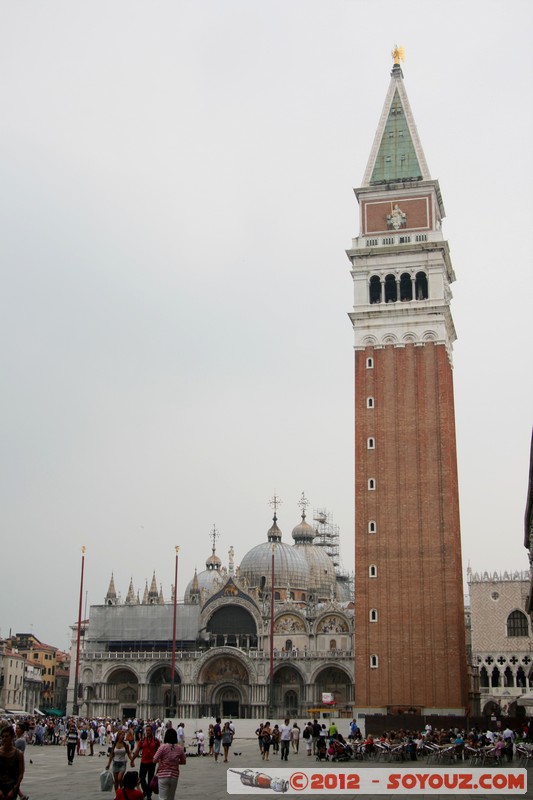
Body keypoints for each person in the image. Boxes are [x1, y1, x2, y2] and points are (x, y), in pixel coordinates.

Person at [153, 728, 186, 800]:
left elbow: (154, 759)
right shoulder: (179, 748)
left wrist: (164, 761)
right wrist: (175, 762)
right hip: (174, 776)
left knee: (162, 798)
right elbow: (183, 761)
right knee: (171, 797)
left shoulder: (162, 747)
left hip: (163, 775)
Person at [131, 723, 158, 800]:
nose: (148, 732)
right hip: (143, 762)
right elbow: (137, 751)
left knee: (150, 778)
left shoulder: (156, 741)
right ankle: (146, 790)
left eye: (149, 730)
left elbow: (159, 751)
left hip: (152, 762)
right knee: (141, 778)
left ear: (152, 731)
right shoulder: (142, 740)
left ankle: (149, 793)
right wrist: (132, 759)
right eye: (147, 730)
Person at [0, 724, 24, 800]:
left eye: (7, 736)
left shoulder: (18, 754)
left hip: (12, 787)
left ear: (12, 737)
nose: (4, 739)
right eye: (3, 737)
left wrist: (14, 790)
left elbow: (21, 773)